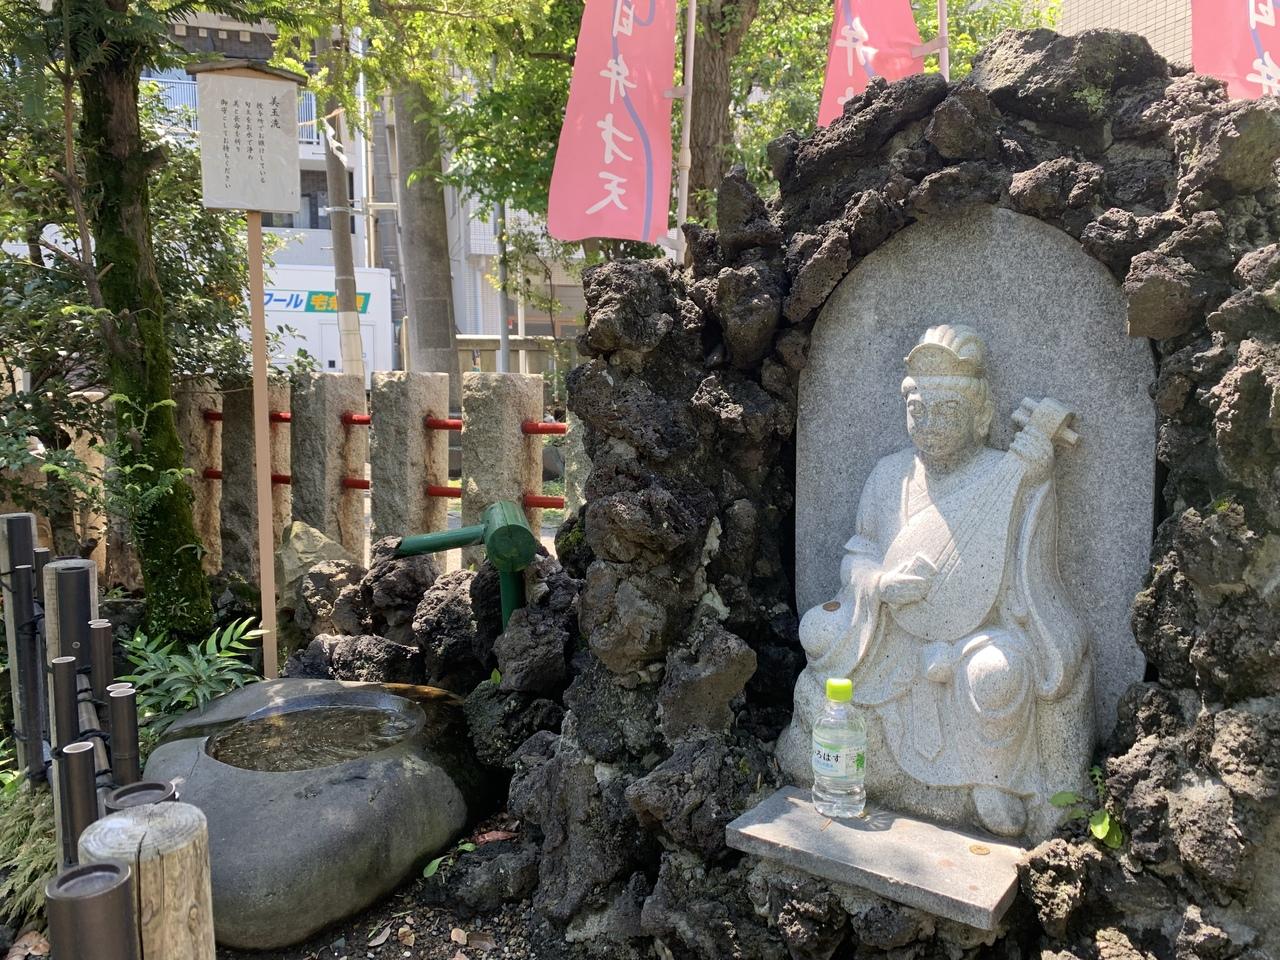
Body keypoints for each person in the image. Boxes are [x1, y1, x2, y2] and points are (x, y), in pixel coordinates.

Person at [778, 324, 1093, 838]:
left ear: (981, 416)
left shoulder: (1004, 472)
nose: (929, 425)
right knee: (818, 630)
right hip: (893, 633)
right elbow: (859, 554)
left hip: (978, 634)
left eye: (946, 411)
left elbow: (1026, 567)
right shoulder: (889, 475)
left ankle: (992, 780)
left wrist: (1037, 486)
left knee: (997, 673)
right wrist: (879, 584)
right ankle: (861, 760)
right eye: (917, 410)